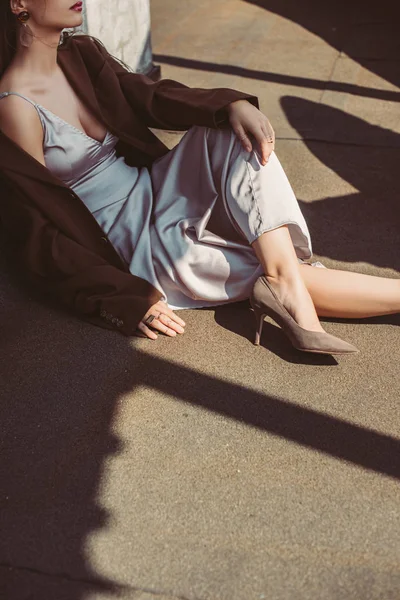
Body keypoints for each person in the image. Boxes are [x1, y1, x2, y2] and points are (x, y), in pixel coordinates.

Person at [0, 0, 399, 356]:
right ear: (19, 4)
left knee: (231, 130)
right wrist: (120, 296)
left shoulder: (81, 54)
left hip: (155, 186)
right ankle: (285, 283)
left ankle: (282, 281)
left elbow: (151, 96)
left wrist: (231, 105)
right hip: (128, 237)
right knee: (258, 266)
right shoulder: (16, 107)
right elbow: (38, 228)